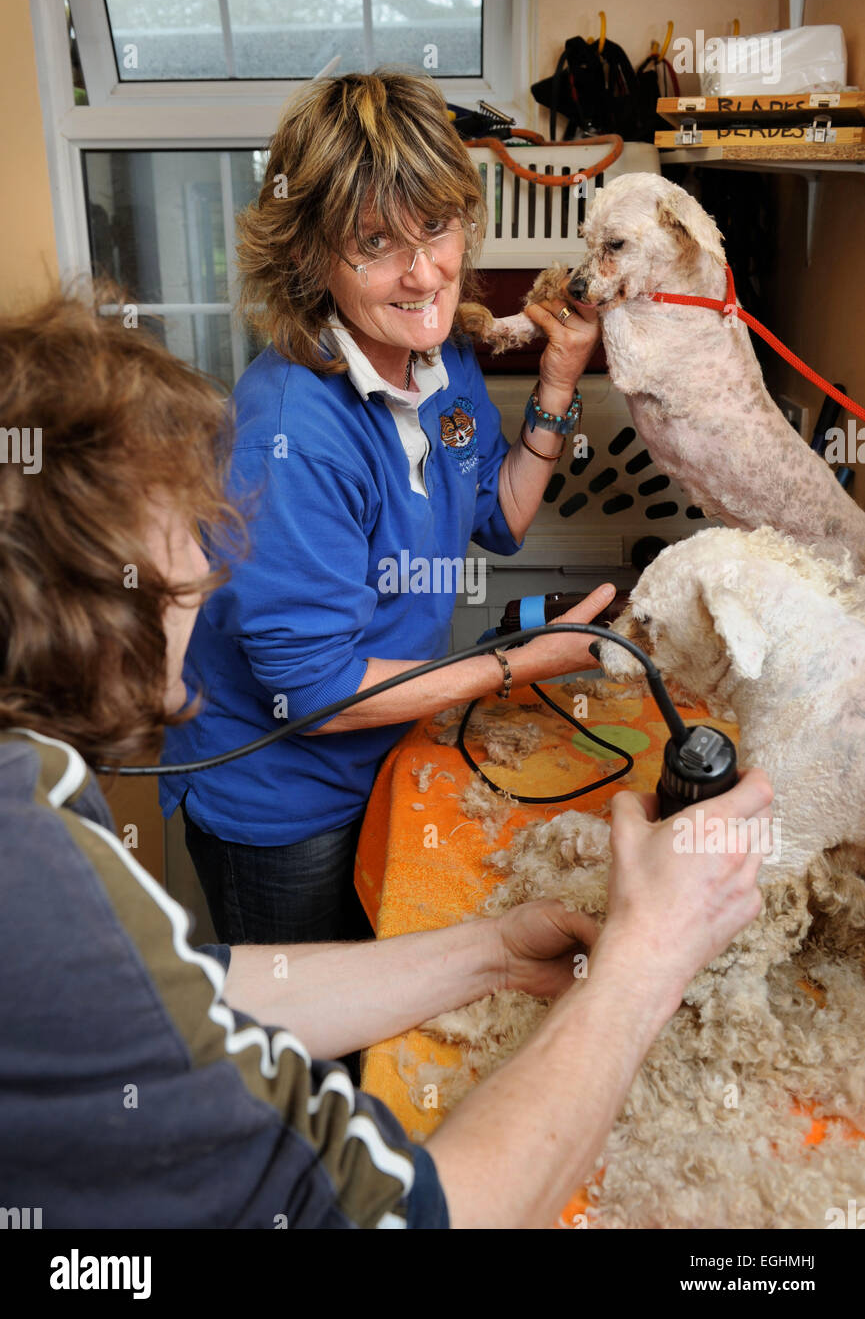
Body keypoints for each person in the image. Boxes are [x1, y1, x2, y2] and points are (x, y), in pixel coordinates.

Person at [0, 289, 771, 1229]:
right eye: (184, 528)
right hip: (289, 799)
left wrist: (489, 952)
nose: (210, 567)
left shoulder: (35, 792)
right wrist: (646, 960)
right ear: (84, 584)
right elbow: (403, 1218)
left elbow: (193, 992)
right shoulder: (26, 871)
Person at [159, 68, 615, 945]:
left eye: (438, 228)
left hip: (390, 748)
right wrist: (522, 663)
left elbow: (500, 517)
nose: (424, 273)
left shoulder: (443, 364)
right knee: (308, 1045)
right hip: (285, 799)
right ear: (307, 254)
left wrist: (559, 379)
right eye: (374, 243)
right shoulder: (290, 437)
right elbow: (315, 690)